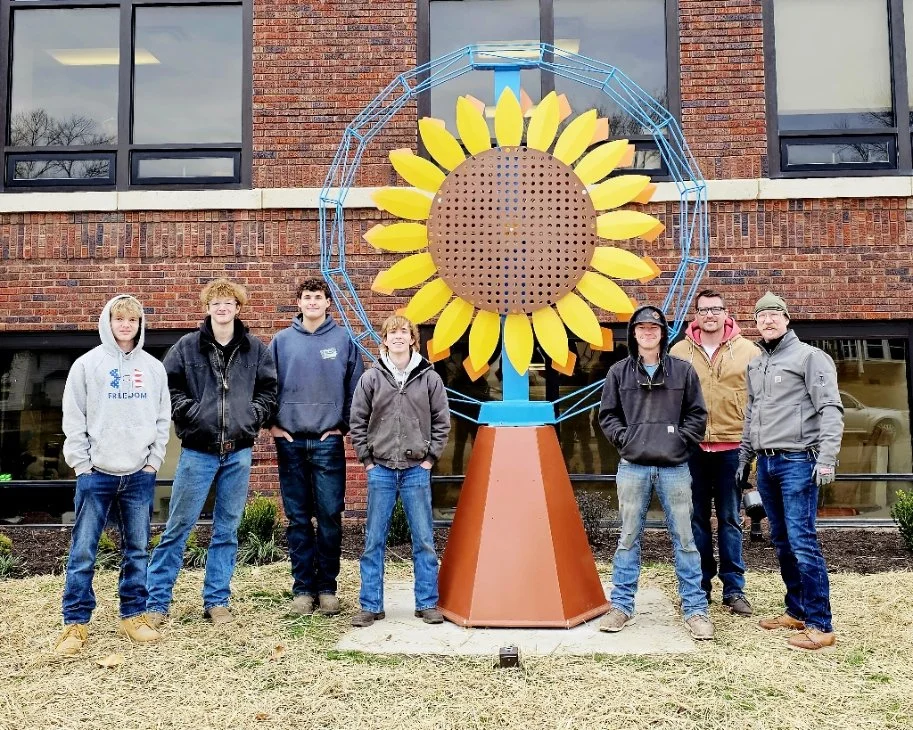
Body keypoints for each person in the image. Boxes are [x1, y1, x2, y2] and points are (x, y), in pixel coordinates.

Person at [146, 279, 277, 627]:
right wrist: (190, 411)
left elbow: (269, 390)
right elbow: (166, 387)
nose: (222, 308)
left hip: (238, 453)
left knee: (226, 530)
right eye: (216, 302)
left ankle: (217, 601)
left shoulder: (254, 349)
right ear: (207, 308)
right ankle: (157, 603)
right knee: (178, 527)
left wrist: (253, 416)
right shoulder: (187, 348)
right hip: (197, 452)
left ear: (238, 308)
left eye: (228, 302)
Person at [55, 295, 171, 655]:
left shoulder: (153, 368)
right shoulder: (88, 365)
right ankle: (75, 624)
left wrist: (153, 461)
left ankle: (133, 615)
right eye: (119, 319)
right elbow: (73, 416)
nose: (125, 325)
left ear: (140, 325)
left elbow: (162, 417)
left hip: (138, 474)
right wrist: (81, 464)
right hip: (96, 474)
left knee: (136, 550)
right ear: (108, 321)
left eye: (132, 320)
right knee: (83, 552)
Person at [598, 305, 714, 640]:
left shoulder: (683, 371)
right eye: (641, 328)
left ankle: (695, 609)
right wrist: (627, 439)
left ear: (663, 333)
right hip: (633, 465)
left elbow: (696, 414)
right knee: (628, 538)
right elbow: (608, 416)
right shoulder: (619, 372)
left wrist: (681, 442)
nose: (648, 333)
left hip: (674, 467)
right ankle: (621, 606)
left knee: (685, 539)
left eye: (654, 328)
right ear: (633, 334)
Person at [738, 292, 844, 651]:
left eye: (774, 315)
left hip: (800, 461)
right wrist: (743, 459)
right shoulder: (756, 365)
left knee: (802, 540)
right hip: (766, 464)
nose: (767, 321)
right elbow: (751, 416)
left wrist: (827, 458)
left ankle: (820, 624)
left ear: (786, 319)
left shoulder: (810, 357)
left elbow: (831, 409)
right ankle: (796, 610)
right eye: (761, 316)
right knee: (782, 540)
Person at [269, 278, 363, 616]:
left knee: (329, 517)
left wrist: (343, 427)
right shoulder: (281, 342)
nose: (312, 302)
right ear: (298, 302)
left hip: (327, 441)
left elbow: (356, 388)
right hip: (291, 441)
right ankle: (302, 590)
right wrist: (273, 424)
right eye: (306, 297)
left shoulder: (343, 341)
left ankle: (327, 589)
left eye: (318, 297)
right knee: (297, 519)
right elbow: (266, 386)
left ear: (327, 303)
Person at [348, 314, 450, 627]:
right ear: (384, 340)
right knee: (373, 540)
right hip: (380, 469)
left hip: (416, 470)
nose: (398, 337)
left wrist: (430, 459)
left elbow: (441, 422)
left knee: (423, 539)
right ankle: (370, 605)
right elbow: (357, 422)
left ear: (412, 339)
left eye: (403, 332)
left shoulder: (429, 377)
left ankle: (427, 603)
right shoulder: (371, 378)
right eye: (392, 333)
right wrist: (367, 460)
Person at [670, 289, 760, 616]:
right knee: (695, 521)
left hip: (732, 449)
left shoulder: (749, 351)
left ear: (726, 312)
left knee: (730, 519)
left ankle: (734, 590)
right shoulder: (679, 351)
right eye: (704, 309)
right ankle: (701, 588)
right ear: (696, 314)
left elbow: (759, 401)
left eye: (716, 309)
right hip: (691, 449)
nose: (710, 315)